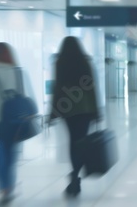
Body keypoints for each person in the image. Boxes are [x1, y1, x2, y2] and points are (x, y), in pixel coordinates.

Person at [0, 43, 36, 204]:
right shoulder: (19, 72)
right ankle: (9, 186)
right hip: (15, 121)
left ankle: (5, 188)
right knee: (11, 156)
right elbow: (27, 97)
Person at [49, 37, 101, 198]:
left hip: (68, 109)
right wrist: (96, 111)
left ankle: (74, 178)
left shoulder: (60, 62)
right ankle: (75, 175)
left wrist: (53, 111)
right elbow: (92, 87)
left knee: (73, 142)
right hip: (85, 108)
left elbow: (57, 88)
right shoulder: (85, 62)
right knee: (82, 141)